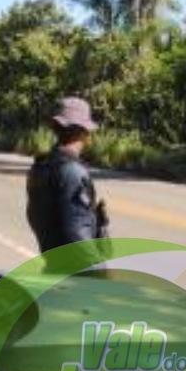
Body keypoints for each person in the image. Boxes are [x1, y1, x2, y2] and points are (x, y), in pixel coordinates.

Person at [26, 97, 109, 261]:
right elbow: (77, 234)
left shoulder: (41, 166)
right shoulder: (72, 172)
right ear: (84, 132)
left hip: (52, 263)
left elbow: (34, 216)